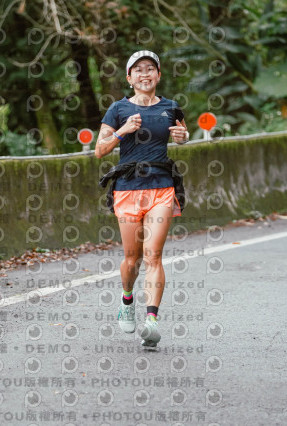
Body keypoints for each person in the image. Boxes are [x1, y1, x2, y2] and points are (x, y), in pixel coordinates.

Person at [95, 50, 189, 347]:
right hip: (127, 189)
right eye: (138, 69)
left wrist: (183, 138)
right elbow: (99, 150)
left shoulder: (171, 107)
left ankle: (151, 321)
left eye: (150, 68)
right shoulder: (118, 109)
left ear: (158, 75)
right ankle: (127, 299)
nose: (145, 73)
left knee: (153, 255)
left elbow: (183, 134)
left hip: (161, 187)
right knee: (132, 259)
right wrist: (122, 131)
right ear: (129, 78)